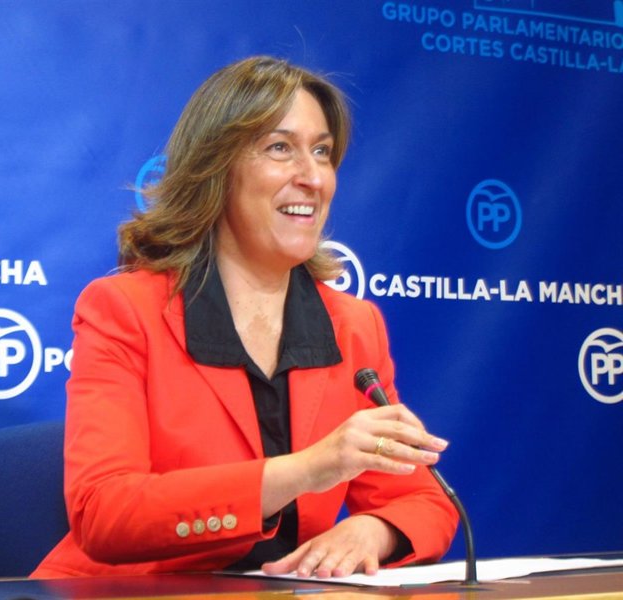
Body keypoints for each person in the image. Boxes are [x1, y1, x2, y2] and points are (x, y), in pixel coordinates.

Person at [32, 56, 457, 579]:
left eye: (322, 152)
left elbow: (424, 500)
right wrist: (305, 470)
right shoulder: (124, 310)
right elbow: (105, 514)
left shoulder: (353, 325)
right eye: (280, 148)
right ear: (215, 167)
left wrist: (372, 530)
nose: (312, 178)